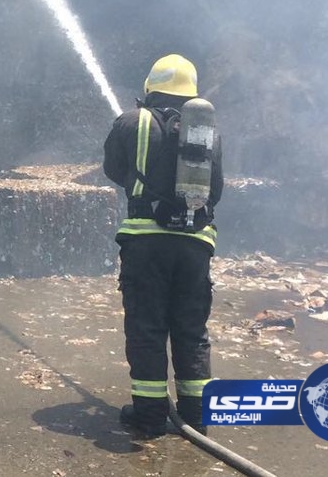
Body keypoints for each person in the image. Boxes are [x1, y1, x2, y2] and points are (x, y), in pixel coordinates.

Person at [102, 53, 223, 437]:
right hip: (195, 244)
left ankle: (150, 417)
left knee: (147, 327)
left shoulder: (129, 122)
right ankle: (197, 415)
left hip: (146, 242)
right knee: (191, 328)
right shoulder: (207, 132)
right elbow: (215, 190)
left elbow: (113, 170)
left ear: (150, 88)